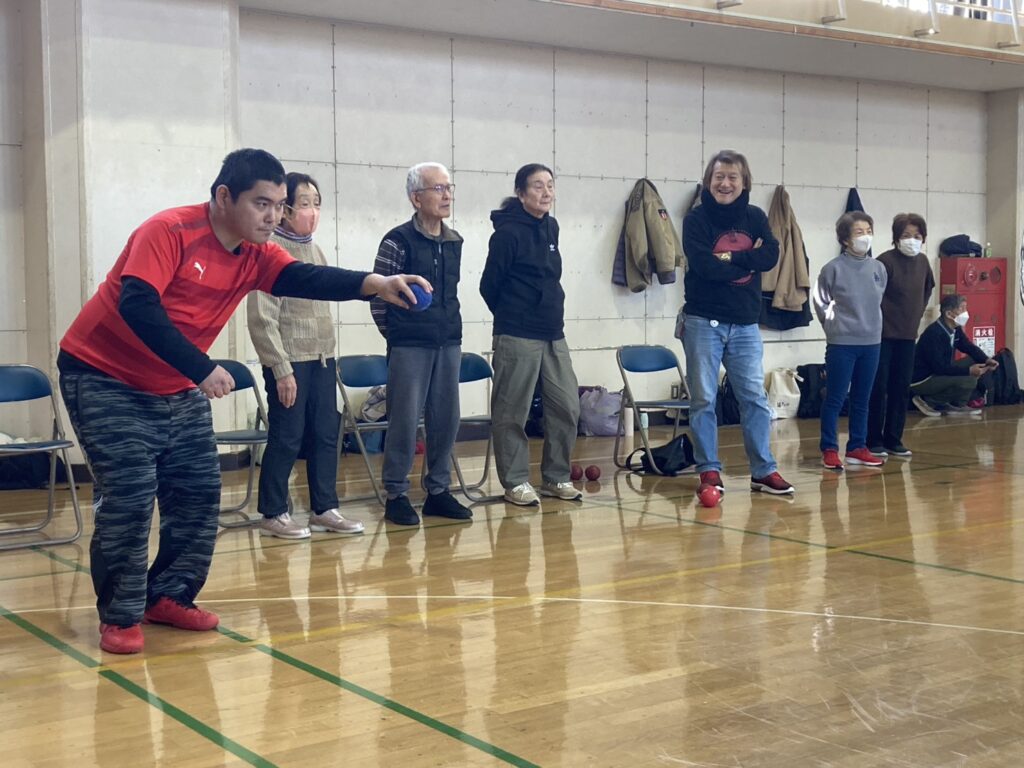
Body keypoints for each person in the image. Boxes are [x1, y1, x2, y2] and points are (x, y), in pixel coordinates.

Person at [57, 149, 427, 654]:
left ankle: (168, 596)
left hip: (172, 382)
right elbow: (138, 306)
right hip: (102, 374)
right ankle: (120, 616)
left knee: (198, 490)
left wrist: (375, 284)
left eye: (279, 205)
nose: (274, 216)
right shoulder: (168, 231)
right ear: (224, 196)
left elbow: (307, 279)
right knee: (131, 494)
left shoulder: (258, 253)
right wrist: (200, 368)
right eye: (262, 204)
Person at [246, 172, 363, 539]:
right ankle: (273, 512)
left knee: (327, 434)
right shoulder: (270, 252)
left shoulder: (315, 250)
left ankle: (324, 509)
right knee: (288, 435)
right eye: (304, 203)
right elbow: (261, 318)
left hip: (322, 359)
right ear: (285, 210)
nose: (312, 211)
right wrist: (281, 369)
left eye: (317, 203)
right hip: (289, 362)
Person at [680, 150, 794, 495]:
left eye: (732, 177)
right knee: (704, 399)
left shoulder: (756, 216)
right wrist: (749, 259)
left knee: (754, 399)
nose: (725, 183)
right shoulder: (696, 219)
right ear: (708, 181)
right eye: (719, 177)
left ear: (744, 182)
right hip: (703, 321)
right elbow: (705, 266)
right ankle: (709, 470)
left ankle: (763, 471)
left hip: (745, 323)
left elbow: (770, 256)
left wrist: (730, 256)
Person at [370, 162, 472, 526]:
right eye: (438, 189)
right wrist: (398, 337)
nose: (447, 195)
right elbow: (378, 297)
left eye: (449, 188)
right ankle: (396, 494)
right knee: (404, 419)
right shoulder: (397, 241)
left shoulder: (455, 241)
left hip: (448, 341)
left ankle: (439, 491)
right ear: (416, 198)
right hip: (409, 344)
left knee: (446, 418)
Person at [480, 163, 582, 506]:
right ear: (521, 193)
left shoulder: (551, 226)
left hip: (553, 332)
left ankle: (556, 477)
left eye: (550, 185)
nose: (546, 192)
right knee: (512, 411)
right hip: (517, 333)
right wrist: (514, 314)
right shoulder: (507, 234)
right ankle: (515, 482)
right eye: (538, 186)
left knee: (567, 406)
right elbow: (489, 286)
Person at [813, 212, 887, 471]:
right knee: (835, 397)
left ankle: (857, 446)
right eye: (859, 232)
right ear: (845, 239)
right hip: (842, 343)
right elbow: (820, 301)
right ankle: (829, 448)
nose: (865, 236)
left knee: (862, 398)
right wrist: (833, 327)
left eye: (868, 231)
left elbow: (878, 300)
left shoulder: (878, 269)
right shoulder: (832, 269)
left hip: (872, 342)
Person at [866, 213, 935, 458]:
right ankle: (873, 439)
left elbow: (927, 290)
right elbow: (872, 295)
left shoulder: (923, 262)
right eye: (906, 235)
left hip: (908, 335)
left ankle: (894, 439)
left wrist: (915, 316)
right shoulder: (885, 261)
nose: (912, 240)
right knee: (879, 386)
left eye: (917, 236)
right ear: (896, 238)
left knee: (901, 387)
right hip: (882, 335)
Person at [910, 294, 998, 416]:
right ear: (949, 314)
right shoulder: (934, 333)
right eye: (962, 309)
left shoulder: (955, 329)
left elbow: (968, 346)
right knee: (969, 380)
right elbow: (939, 367)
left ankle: (955, 404)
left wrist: (986, 360)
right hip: (923, 378)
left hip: (939, 372)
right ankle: (930, 401)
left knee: (975, 361)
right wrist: (968, 371)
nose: (965, 312)